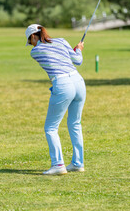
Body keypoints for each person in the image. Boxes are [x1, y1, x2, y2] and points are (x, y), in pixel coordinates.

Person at [25, 24, 86, 175]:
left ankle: (58, 164)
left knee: (50, 128)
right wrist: (77, 49)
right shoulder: (62, 41)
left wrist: (72, 50)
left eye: (30, 41)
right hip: (78, 81)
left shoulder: (35, 51)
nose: (30, 45)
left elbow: (53, 58)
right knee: (75, 123)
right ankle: (78, 163)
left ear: (33, 36)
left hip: (63, 83)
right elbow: (77, 60)